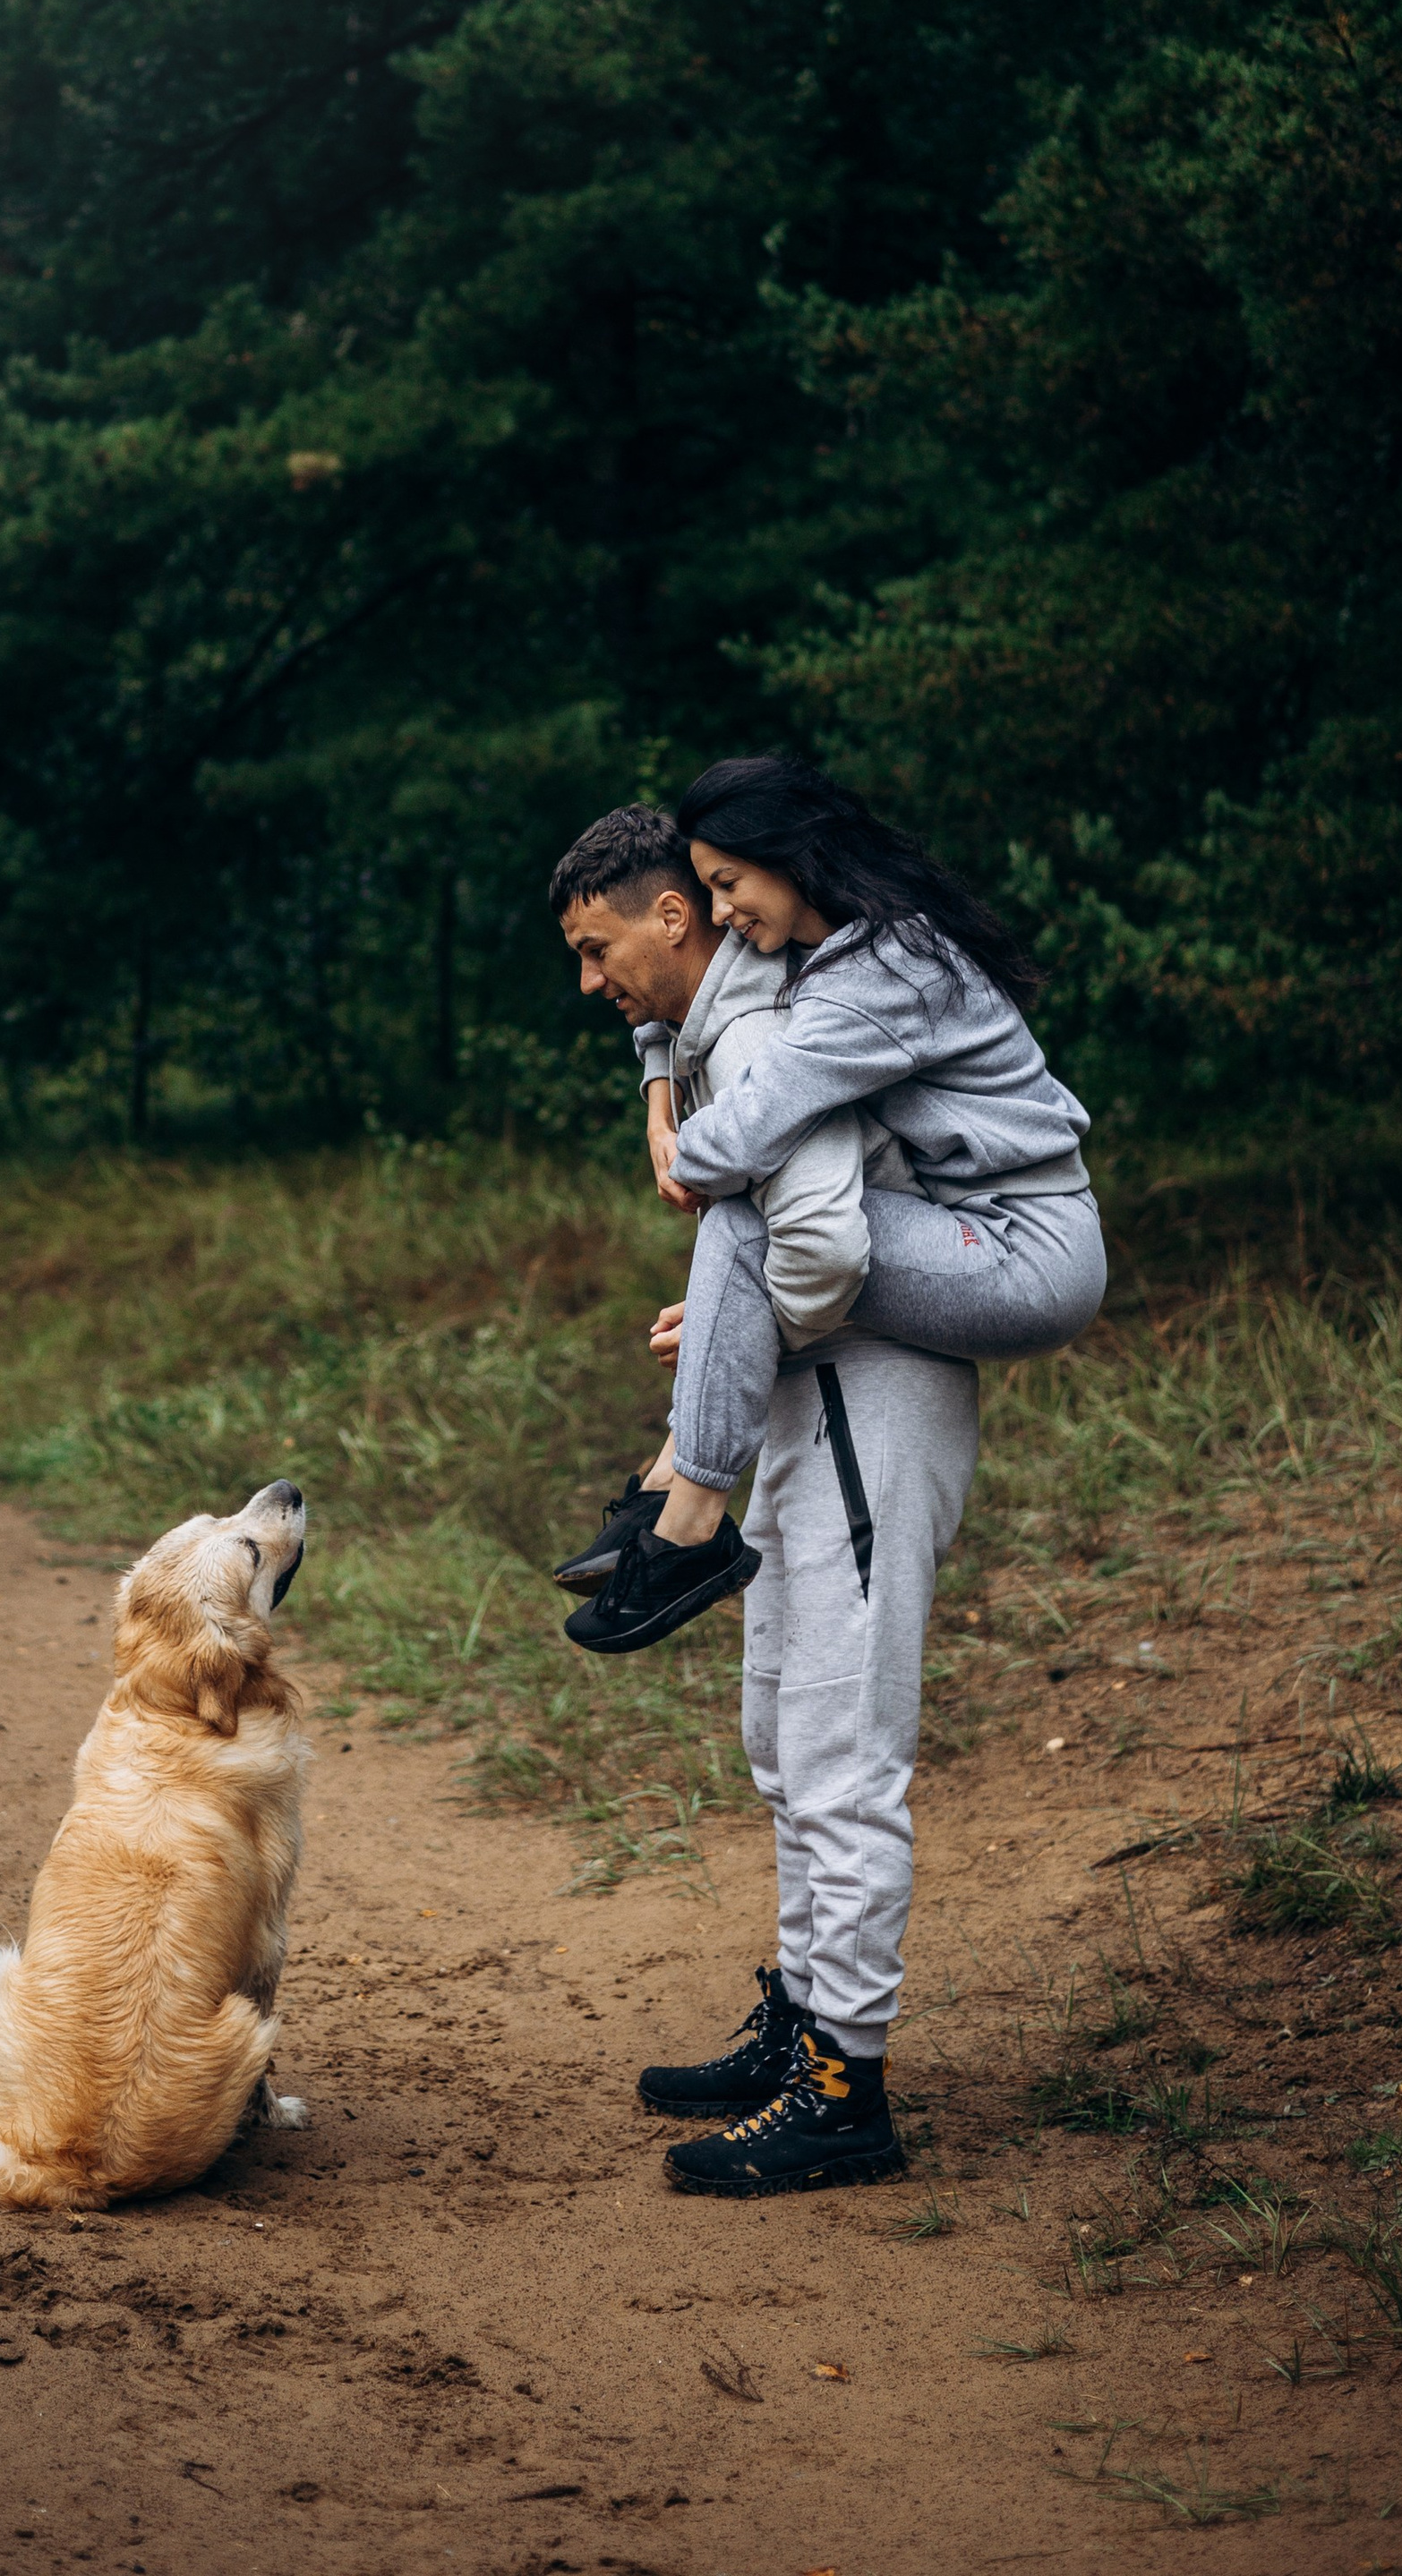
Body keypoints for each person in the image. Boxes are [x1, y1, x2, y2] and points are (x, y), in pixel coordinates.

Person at [550, 756, 1106, 2196]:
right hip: (863, 1344)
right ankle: (804, 2015)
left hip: (948, 1319)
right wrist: (670, 1103)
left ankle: (845, 2089)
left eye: (727, 892)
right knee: (787, 1733)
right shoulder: (774, 984)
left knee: (844, 1742)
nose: (731, 914)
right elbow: (785, 1199)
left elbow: (812, 1236)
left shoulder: (851, 984)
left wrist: (699, 1198)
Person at [544, 805, 877, 1649]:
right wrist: (658, 1092)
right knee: (780, 1688)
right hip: (824, 1359)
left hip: (873, 1368)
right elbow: (663, 1021)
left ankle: (679, 1507)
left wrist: (737, 1329)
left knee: (832, 1695)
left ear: (671, 916)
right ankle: (672, 1489)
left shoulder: (753, 1043)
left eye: (596, 950)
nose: (587, 981)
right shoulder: (707, 1017)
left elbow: (825, 1248)